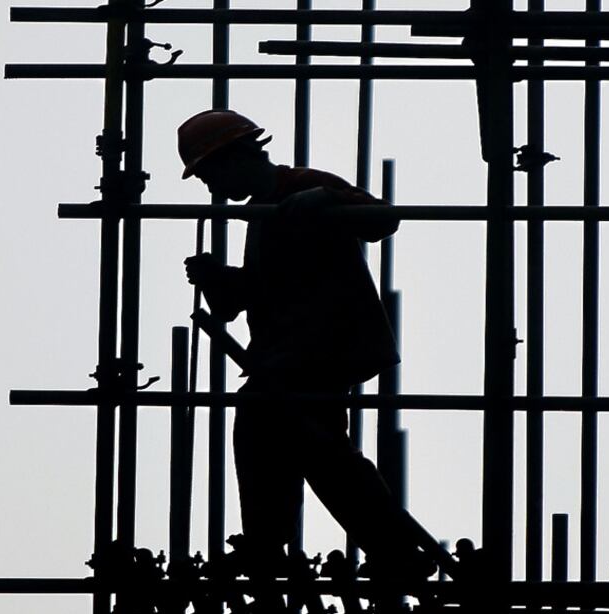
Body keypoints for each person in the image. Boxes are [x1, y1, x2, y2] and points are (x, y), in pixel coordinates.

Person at [178, 109, 429, 580]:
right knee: (308, 444)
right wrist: (218, 281)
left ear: (237, 158)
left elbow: (384, 218)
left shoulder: (299, 186)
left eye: (213, 175)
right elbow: (263, 290)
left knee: (284, 432)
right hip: (294, 351)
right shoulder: (262, 210)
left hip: (327, 345)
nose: (213, 189)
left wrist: (326, 198)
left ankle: (278, 545)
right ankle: (292, 545)